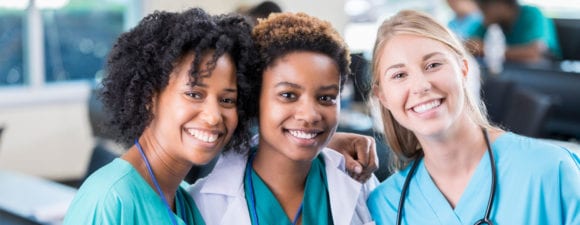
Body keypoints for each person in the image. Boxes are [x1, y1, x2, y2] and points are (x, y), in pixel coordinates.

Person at [63, 8, 376, 225]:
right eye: (194, 94)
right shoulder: (111, 198)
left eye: (227, 99)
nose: (213, 116)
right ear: (149, 96)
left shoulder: (183, 201)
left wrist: (327, 141)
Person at [366, 10, 579, 225]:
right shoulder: (386, 205)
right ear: (382, 97)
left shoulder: (550, 170)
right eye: (399, 75)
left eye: (433, 65)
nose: (421, 86)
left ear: (464, 68)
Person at [189, 12, 378, 225]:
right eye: (288, 95)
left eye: (326, 98)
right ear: (254, 97)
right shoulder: (202, 204)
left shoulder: (360, 183)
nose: (309, 115)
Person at [470, 0, 561, 63]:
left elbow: (534, 53)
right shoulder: (491, 23)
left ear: (500, 4)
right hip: (509, 73)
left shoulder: (532, 14)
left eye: (484, 9)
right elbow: (471, 44)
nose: (482, 16)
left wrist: (490, 51)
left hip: (543, 74)